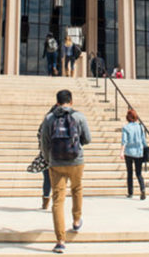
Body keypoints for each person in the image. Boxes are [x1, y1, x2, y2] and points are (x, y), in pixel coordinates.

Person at [38, 89, 92, 254]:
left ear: (57, 102)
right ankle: (76, 220)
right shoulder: (79, 117)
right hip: (76, 161)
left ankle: (60, 241)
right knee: (77, 189)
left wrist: (48, 159)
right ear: (71, 101)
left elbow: (44, 142)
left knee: (58, 200)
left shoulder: (49, 118)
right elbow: (88, 139)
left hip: (56, 163)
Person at [120, 109, 147, 200]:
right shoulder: (140, 127)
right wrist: (145, 148)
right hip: (139, 152)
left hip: (129, 152)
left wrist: (121, 151)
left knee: (130, 172)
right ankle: (142, 189)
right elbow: (143, 140)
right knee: (139, 173)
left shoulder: (126, 127)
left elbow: (124, 141)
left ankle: (130, 192)